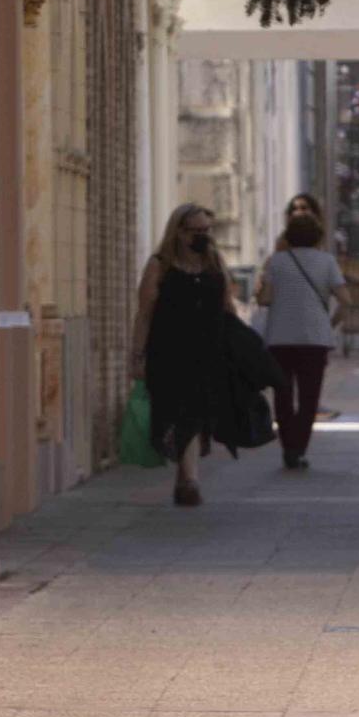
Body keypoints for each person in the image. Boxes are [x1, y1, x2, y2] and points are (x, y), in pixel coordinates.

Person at [129, 204, 257, 507]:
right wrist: (136, 355)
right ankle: (187, 479)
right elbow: (144, 314)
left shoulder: (214, 263)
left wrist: (238, 346)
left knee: (197, 414)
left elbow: (227, 307)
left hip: (207, 350)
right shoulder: (159, 266)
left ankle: (187, 479)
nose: (202, 237)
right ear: (179, 232)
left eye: (206, 231)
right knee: (175, 412)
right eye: (195, 231)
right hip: (169, 352)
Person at [255, 211, 347, 470]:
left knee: (283, 395)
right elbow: (346, 301)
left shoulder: (276, 262)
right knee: (309, 397)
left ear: (289, 237)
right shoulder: (327, 262)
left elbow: (264, 300)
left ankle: (288, 447)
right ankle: (299, 448)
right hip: (314, 340)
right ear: (318, 237)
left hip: (280, 339)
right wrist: (329, 324)